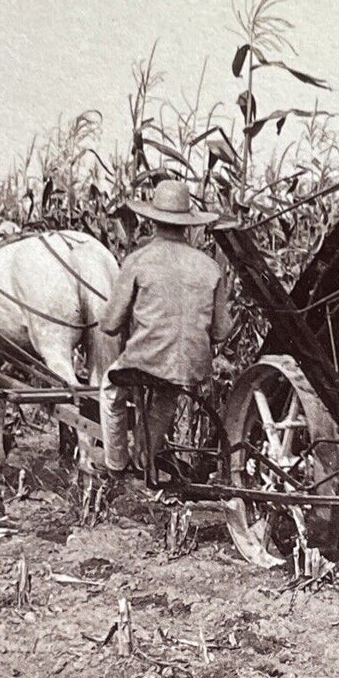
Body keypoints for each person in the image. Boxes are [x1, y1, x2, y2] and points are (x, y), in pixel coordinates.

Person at [98, 178, 231, 477]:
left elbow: (109, 324)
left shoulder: (138, 260)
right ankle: (146, 462)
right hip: (189, 367)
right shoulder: (209, 266)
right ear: (187, 224)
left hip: (145, 361)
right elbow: (222, 331)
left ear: (152, 220)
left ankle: (116, 466)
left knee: (109, 390)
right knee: (164, 398)